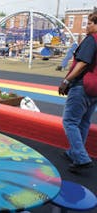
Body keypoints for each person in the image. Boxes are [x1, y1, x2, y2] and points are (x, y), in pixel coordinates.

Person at [58, 13, 97, 173]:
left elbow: (82, 63)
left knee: (70, 121)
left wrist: (66, 81)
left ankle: (81, 158)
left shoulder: (91, 40)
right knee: (84, 121)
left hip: (83, 85)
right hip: (95, 88)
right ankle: (75, 152)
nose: (86, 26)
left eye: (89, 23)